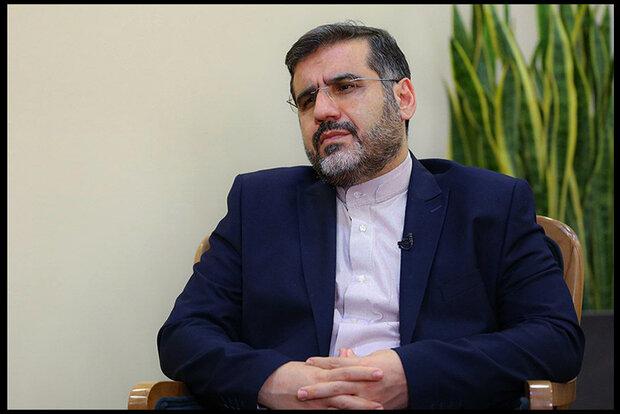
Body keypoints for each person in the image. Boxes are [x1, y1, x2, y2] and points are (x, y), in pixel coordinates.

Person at [157, 22, 584, 409]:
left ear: (404, 98)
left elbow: (556, 337)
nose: (322, 111)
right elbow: (184, 334)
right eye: (307, 99)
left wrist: (412, 375)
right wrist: (272, 381)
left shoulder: (489, 204)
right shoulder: (259, 204)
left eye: (345, 86)